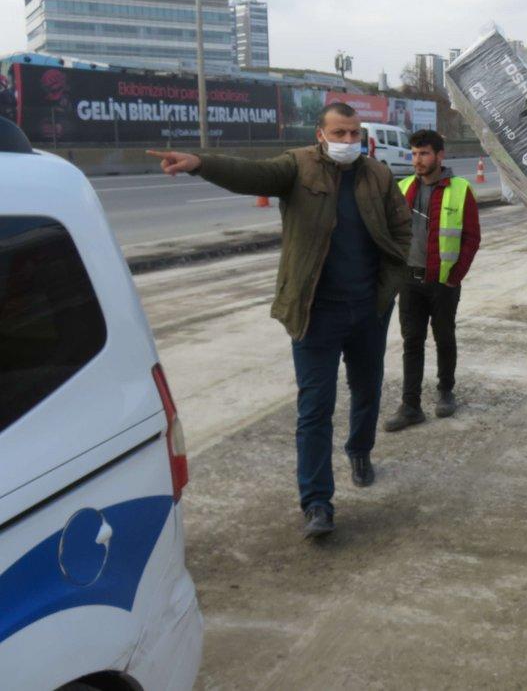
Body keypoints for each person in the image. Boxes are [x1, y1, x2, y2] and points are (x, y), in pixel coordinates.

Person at [148, 103, 412, 539]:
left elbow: (402, 231)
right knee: (314, 407)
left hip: (368, 309)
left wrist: (391, 286)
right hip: (313, 311)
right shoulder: (298, 166)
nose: (349, 141)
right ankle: (316, 503)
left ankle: (360, 451)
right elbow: (252, 175)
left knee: (367, 388)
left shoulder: (378, 176)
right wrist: (200, 163)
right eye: (340, 132)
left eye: (354, 133)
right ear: (320, 134)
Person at [384, 129, 481, 431]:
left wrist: (454, 277)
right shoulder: (402, 188)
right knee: (412, 342)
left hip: (442, 282)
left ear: (440, 155)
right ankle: (410, 405)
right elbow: (391, 235)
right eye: (413, 153)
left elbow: (471, 238)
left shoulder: (460, 189)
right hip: (409, 282)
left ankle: (445, 392)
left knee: (444, 337)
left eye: (424, 153)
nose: (417, 160)